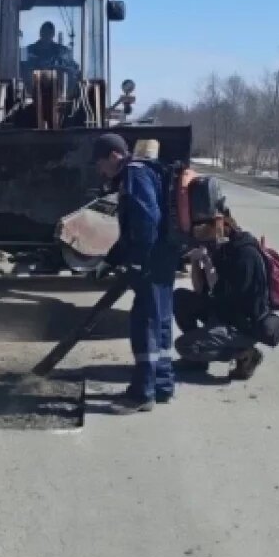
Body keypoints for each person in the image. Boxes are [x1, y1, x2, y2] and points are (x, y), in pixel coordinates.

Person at [92, 133, 178, 413]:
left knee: (145, 324)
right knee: (161, 321)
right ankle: (162, 384)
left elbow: (146, 220)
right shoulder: (148, 170)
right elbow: (134, 228)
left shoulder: (134, 173)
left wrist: (138, 261)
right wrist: (111, 260)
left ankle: (142, 393)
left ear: (113, 156)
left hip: (151, 262)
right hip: (163, 258)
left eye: (100, 164)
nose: (100, 171)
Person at [173, 208, 279, 380]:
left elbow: (228, 296)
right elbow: (201, 290)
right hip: (223, 310)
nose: (201, 232)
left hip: (242, 324)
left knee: (184, 346)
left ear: (221, 225)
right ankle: (198, 361)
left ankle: (245, 353)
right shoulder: (223, 248)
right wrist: (196, 261)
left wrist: (209, 265)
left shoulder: (245, 254)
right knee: (180, 298)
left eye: (206, 227)